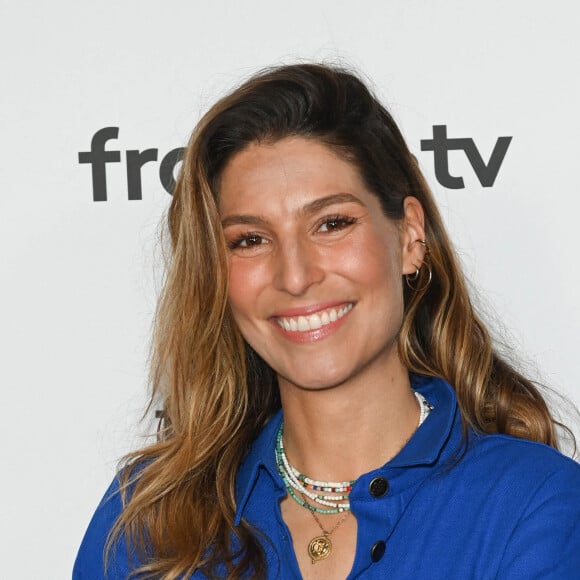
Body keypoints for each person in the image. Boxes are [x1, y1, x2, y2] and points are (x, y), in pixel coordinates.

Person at [74, 63, 580, 579]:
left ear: (409, 237)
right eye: (250, 239)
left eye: (332, 224)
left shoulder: (534, 505)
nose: (295, 276)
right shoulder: (147, 521)